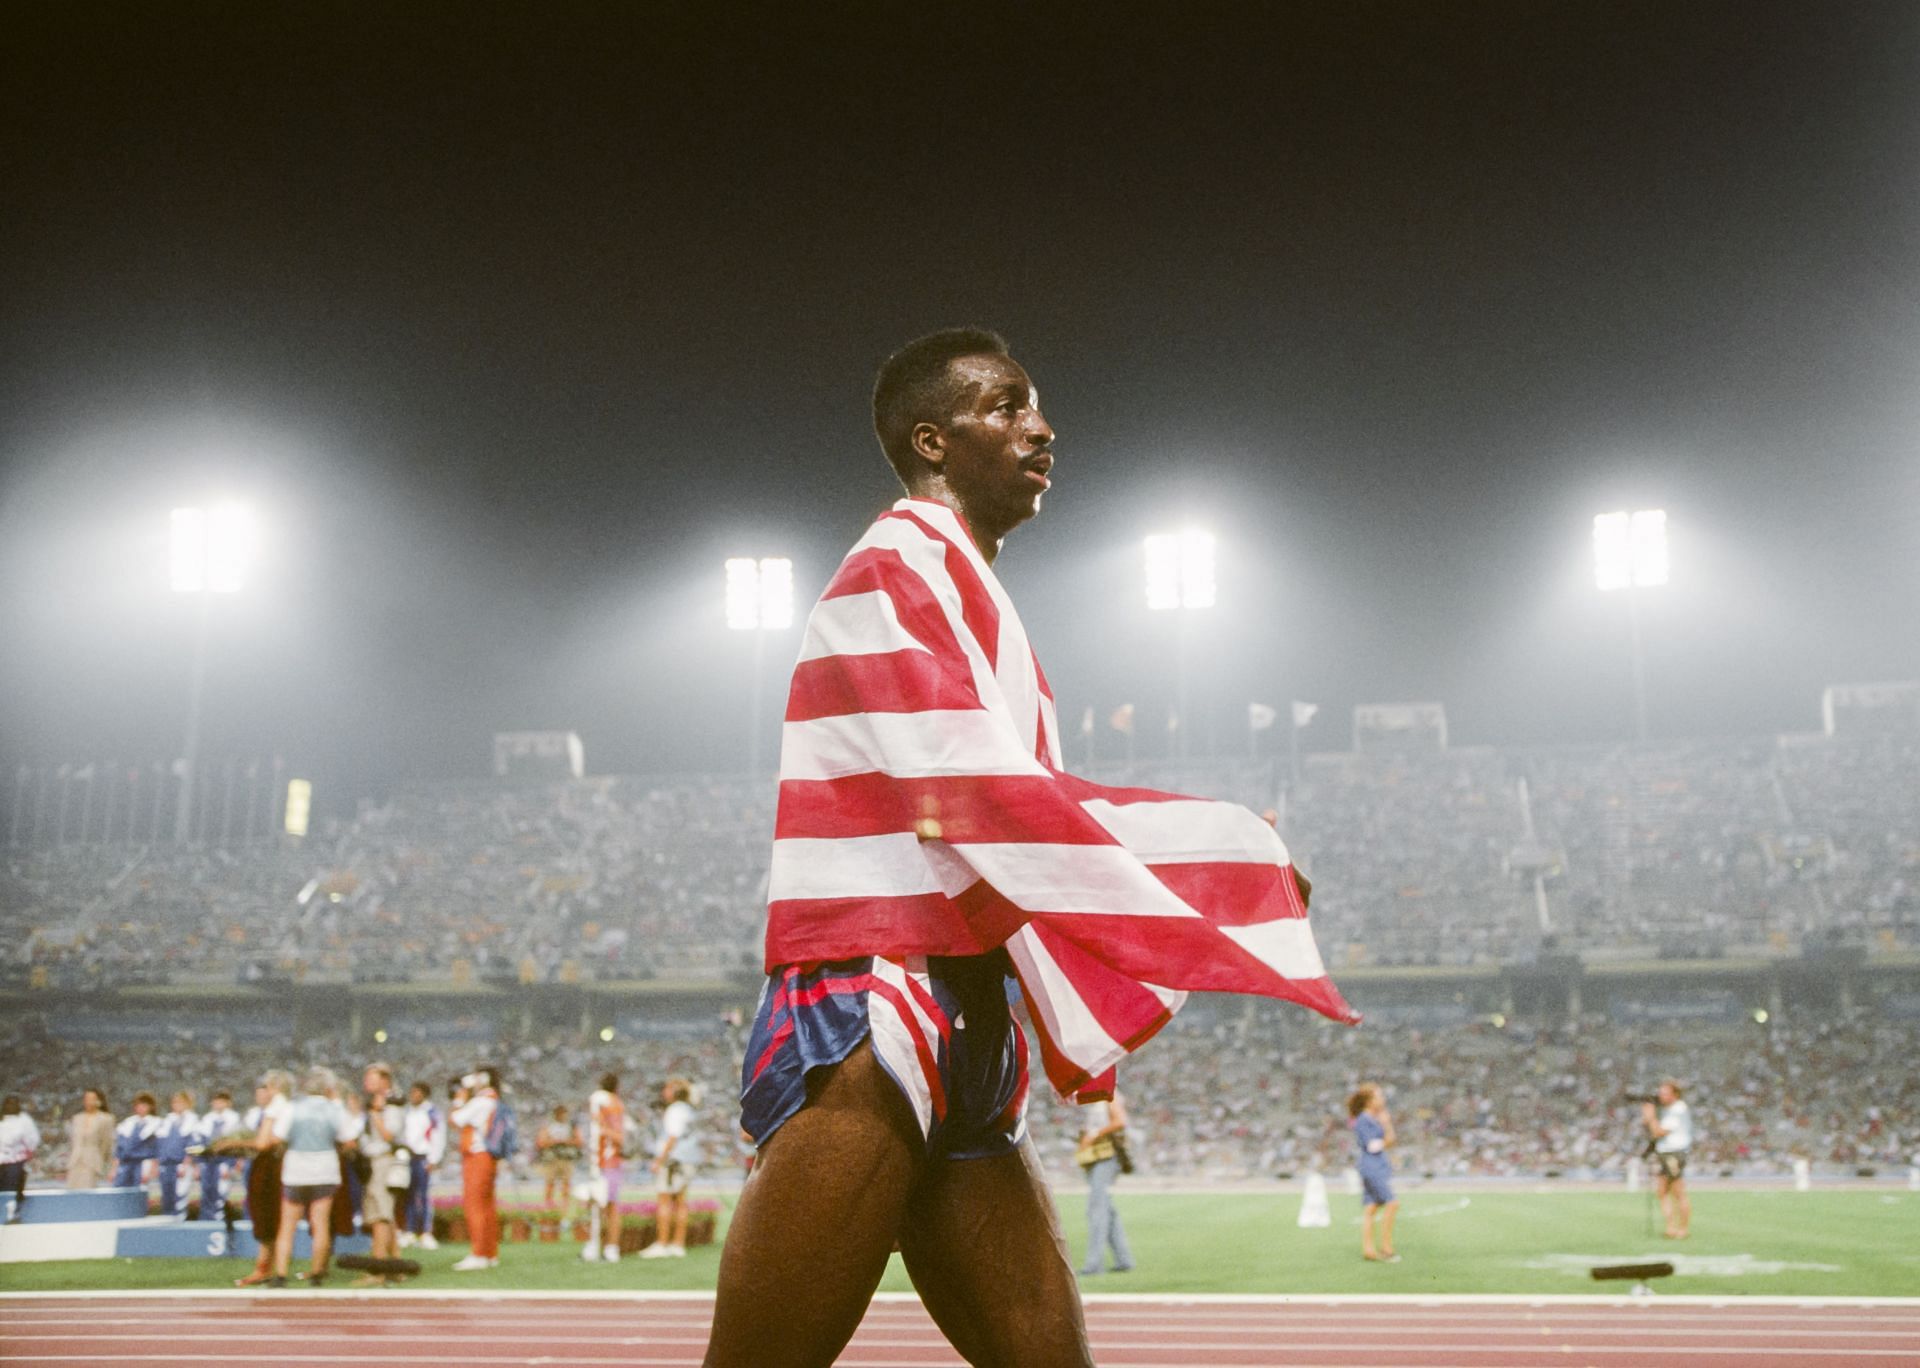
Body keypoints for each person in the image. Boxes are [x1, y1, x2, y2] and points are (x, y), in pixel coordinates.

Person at [704, 329, 1351, 1368]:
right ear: (933, 440)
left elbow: (1009, 810)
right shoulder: (892, 567)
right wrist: (1211, 854)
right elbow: (979, 797)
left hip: (967, 1012)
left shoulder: (974, 592)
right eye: (1005, 407)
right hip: (874, 1001)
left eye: (1033, 405)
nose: (1041, 426)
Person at [270, 1066, 354, 1287]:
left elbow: (277, 1137)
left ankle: (280, 1274)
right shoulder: (335, 1109)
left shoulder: (292, 1108)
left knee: (287, 1226)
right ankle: (317, 1273)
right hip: (325, 1168)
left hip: (296, 1169)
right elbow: (348, 1138)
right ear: (328, 1088)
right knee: (320, 1223)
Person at [234, 1071, 292, 1288]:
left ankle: (266, 1269)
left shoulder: (276, 1107)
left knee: (267, 1216)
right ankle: (268, 1267)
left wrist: (231, 1144)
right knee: (271, 1216)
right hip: (276, 1163)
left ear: (275, 1088)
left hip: (271, 1166)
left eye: (266, 1087)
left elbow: (262, 1143)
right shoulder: (284, 1107)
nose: (261, 1092)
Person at [1074, 1090, 1134, 1276]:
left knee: (1097, 1209)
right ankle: (1124, 1260)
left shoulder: (1111, 1096)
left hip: (1107, 1157)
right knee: (1106, 1209)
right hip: (1095, 1158)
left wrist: (1094, 1135)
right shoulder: (1097, 1099)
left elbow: (1121, 1121)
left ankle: (1094, 1264)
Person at [353, 1063, 403, 1286]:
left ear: (385, 1081)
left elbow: (389, 1135)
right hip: (373, 1161)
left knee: (380, 1216)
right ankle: (396, 1267)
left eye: (371, 1079)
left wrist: (375, 1114)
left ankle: (377, 1270)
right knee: (386, 1216)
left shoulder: (391, 1104)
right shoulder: (376, 1103)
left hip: (383, 1160)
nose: (366, 1083)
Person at [449, 1067, 502, 1271]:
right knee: (487, 1206)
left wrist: (460, 1098)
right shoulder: (493, 1100)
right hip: (488, 1156)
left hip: (477, 1156)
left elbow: (454, 1119)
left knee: (474, 1205)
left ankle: (478, 1253)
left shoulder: (480, 1101)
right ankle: (489, 1253)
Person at [644, 1077, 700, 1259]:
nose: (664, 1092)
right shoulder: (688, 1110)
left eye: (668, 1088)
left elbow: (672, 1137)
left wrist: (659, 1161)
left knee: (664, 1200)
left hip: (673, 1161)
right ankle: (678, 1243)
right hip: (687, 1159)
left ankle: (662, 1243)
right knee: (681, 1202)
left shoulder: (674, 1111)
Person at [1348, 1083, 1399, 1263]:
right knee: (1392, 1204)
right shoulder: (1364, 1120)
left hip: (1374, 1166)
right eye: (1379, 1096)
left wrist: (1386, 1125)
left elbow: (1389, 1140)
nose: (1383, 1099)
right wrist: (1386, 1125)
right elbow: (1373, 1146)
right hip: (1372, 1167)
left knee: (1371, 1208)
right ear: (1369, 1101)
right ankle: (1386, 1248)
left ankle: (1368, 1250)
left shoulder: (1371, 1118)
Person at [1643, 1078, 1692, 1240]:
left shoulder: (1677, 1109)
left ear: (1675, 1094)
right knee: (1662, 1191)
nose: (1661, 1096)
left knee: (1678, 1192)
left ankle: (1682, 1229)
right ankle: (1670, 1227)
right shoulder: (1668, 1109)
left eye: (1665, 1093)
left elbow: (1658, 1132)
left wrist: (1650, 1117)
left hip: (1674, 1153)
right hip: (1666, 1153)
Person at [583, 1075, 625, 1262]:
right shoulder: (614, 1104)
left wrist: (601, 1126)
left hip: (607, 1163)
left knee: (608, 1206)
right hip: (605, 1163)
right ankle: (599, 1247)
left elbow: (618, 1137)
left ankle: (609, 1248)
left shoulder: (609, 1105)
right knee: (601, 1206)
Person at [398, 1080, 444, 1250]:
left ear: (424, 1094)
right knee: (408, 1195)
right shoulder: (408, 1111)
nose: (413, 1096)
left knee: (423, 1196)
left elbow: (438, 1136)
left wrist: (433, 1159)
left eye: (416, 1093)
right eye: (412, 1092)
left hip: (423, 1157)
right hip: (408, 1157)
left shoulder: (432, 1113)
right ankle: (409, 1231)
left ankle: (426, 1232)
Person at [193, 1090, 242, 1222]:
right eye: (215, 1101)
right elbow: (199, 1141)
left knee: (221, 1192)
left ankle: (220, 1222)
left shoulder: (234, 1119)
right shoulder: (207, 1119)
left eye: (221, 1101)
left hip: (224, 1162)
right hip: (208, 1162)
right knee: (206, 1192)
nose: (217, 1104)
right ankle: (205, 1222)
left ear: (228, 1103)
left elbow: (236, 1144)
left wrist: (232, 1164)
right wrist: (198, 1162)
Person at [153, 1091, 199, 1217]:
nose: (177, 1105)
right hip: (166, 1163)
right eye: (175, 1102)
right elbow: (159, 1144)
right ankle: (167, 1223)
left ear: (188, 1104)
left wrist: (187, 1162)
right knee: (166, 1196)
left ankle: (179, 1224)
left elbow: (194, 1145)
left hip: (181, 1164)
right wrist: (157, 1164)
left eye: (180, 1102)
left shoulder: (192, 1121)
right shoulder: (168, 1121)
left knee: (179, 1196)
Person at [0, 1096, 41, 1223]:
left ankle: (13, 1216)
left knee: (12, 1192)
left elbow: (33, 1139)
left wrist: (29, 1151)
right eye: (8, 1103)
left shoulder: (24, 1120)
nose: (10, 1106)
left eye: (13, 1103)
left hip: (16, 1162)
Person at [65, 1088, 114, 1190]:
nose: (89, 1101)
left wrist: (101, 1160)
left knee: (88, 1190)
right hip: (76, 1160)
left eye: (92, 1098)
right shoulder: (77, 1118)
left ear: (99, 1101)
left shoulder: (105, 1119)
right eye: (86, 1098)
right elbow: (73, 1141)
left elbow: (106, 1143)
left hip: (92, 1161)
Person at [537, 1103, 582, 1212]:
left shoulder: (571, 1127)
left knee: (566, 1183)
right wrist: (554, 1142)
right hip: (552, 1159)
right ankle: (548, 1204)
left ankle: (565, 1205)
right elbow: (541, 1142)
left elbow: (579, 1141)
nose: (563, 1116)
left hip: (566, 1158)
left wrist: (566, 1142)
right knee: (550, 1182)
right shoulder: (548, 1127)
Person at [112, 1092, 160, 1192]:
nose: (140, 1108)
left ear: (150, 1107)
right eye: (138, 1105)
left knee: (138, 1191)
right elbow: (119, 1148)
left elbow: (157, 1148)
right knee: (120, 1191)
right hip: (125, 1163)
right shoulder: (128, 1123)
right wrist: (114, 1168)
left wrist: (154, 1166)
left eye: (144, 1105)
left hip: (143, 1163)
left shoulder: (156, 1124)